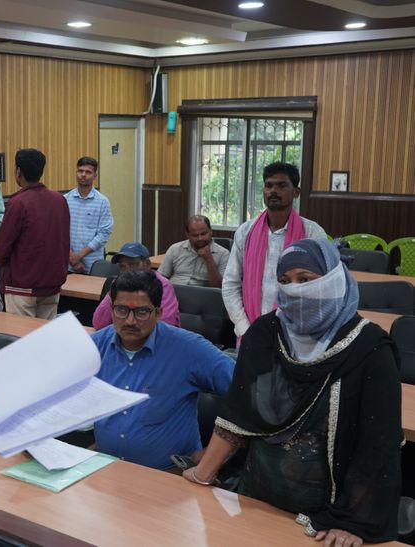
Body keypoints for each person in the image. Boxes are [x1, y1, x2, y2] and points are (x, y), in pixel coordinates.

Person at [185, 238, 401, 546]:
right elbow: (238, 414)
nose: (295, 290)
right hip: (257, 497)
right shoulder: (265, 332)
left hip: (328, 516)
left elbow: (377, 447)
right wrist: (203, 473)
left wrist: (353, 521)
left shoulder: (370, 350)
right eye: (285, 281)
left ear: (333, 280)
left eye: (306, 279)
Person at [92, 271, 234, 470]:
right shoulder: (95, 346)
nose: (130, 321)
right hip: (104, 468)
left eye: (142, 312)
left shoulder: (188, 349)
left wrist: (212, 455)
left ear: (158, 313)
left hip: (168, 474)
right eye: (121, 310)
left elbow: (248, 394)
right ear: (111, 309)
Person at [222, 162, 327, 338]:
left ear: (296, 192)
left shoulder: (312, 233)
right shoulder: (246, 232)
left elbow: (322, 287)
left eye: (282, 185)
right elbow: (230, 284)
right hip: (250, 331)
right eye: (269, 185)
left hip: (297, 333)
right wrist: (245, 329)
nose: (273, 191)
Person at [0, 148, 70, 319]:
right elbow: (63, 240)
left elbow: (1, 249)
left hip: (22, 285)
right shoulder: (60, 200)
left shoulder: (18, 203)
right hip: (52, 284)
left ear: (18, 171)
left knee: (21, 334)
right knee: (46, 334)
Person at [92, 242, 180, 330]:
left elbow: (164, 327)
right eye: (122, 266)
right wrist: (111, 294)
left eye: (132, 264)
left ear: (147, 264)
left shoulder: (162, 285)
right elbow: (99, 324)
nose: (127, 271)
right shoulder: (119, 284)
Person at [65, 156, 113, 273]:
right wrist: (72, 258)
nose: (83, 175)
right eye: (80, 171)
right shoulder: (65, 199)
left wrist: (79, 255)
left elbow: (104, 233)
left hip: (93, 265)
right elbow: (59, 231)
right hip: (67, 263)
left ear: (95, 176)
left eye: (88, 172)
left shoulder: (102, 202)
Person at [158, 214, 228, 287]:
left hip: (201, 293)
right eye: (195, 235)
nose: (200, 238)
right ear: (187, 235)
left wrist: (209, 259)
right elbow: (161, 278)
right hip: (174, 291)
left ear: (211, 231)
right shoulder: (175, 249)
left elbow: (219, 287)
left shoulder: (223, 254)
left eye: (203, 234)